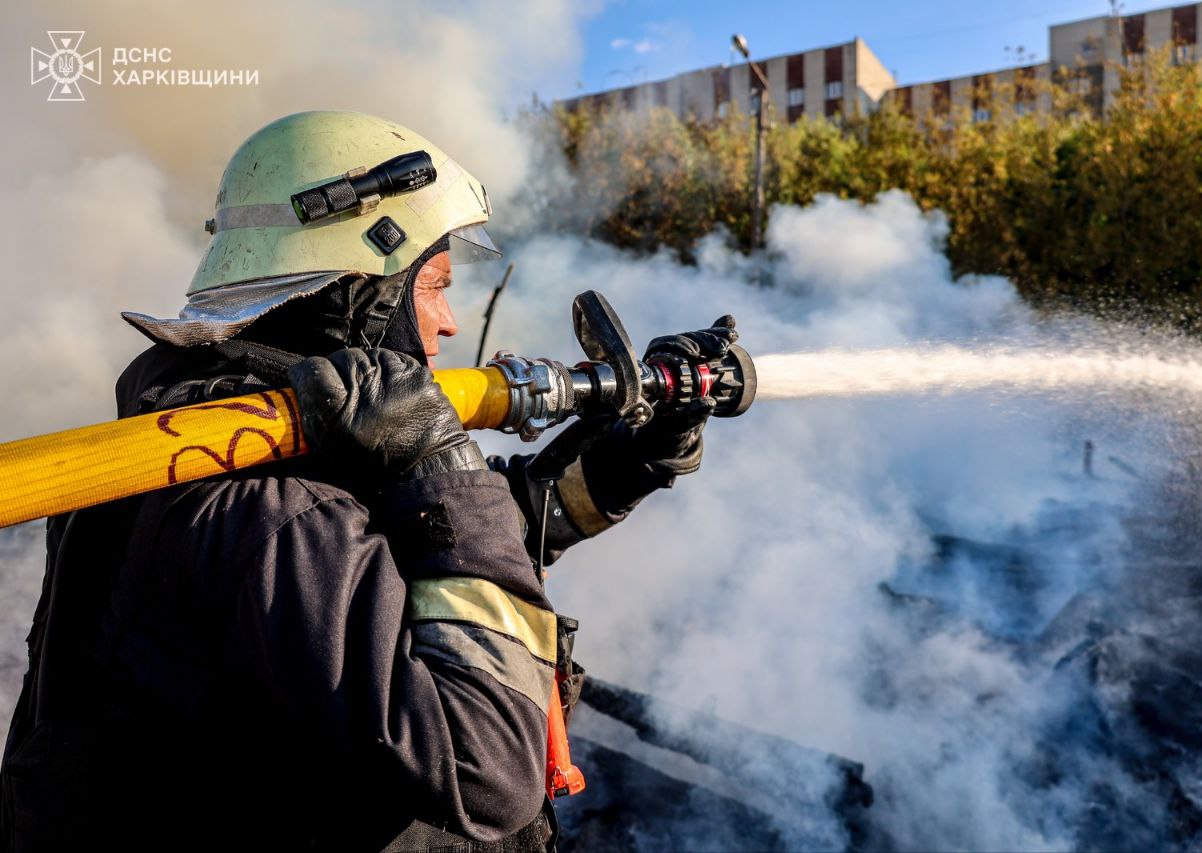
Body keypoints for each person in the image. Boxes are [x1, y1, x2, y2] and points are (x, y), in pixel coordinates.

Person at [0, 110, 735, 852]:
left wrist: (623, 462)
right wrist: (438, 462)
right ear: (361, 294)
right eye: (434, 286)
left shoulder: (210, 437)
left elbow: (433, 547)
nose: (448, 323)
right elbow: (490, 769)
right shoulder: (268, 507)